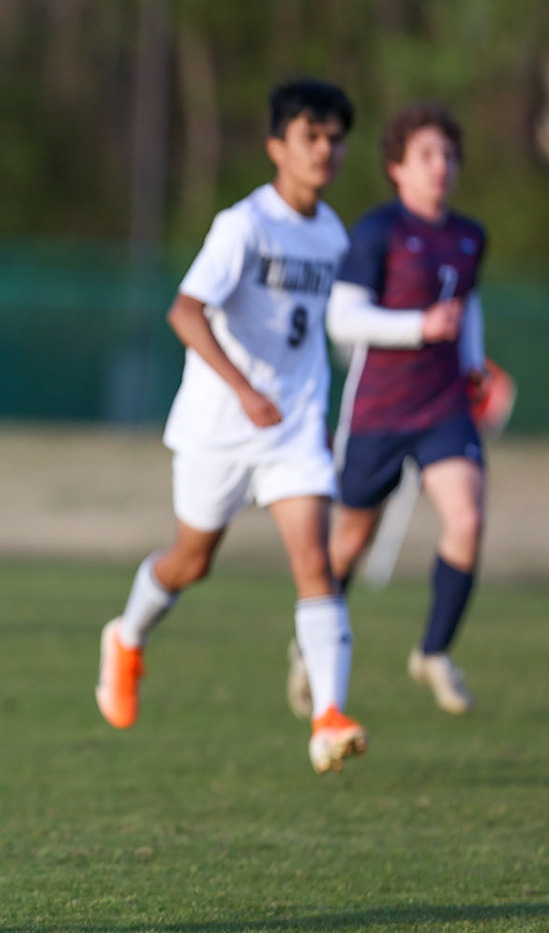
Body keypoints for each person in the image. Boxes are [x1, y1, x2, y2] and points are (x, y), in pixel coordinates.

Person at [95, 79, 367, 774]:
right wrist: (244, 390)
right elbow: (185, 311)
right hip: (221, 426)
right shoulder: (243, 224)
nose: (326, 151)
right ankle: (126, 639)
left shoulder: (334, 232)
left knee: (316, 564)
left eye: (335, 139)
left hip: (294, 428)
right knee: (193, 562)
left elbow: (332, 329)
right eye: (312, 137)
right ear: (278, 146)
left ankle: (329, 715)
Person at [303, 103, 486, 716]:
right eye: (428, 155)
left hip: (444, 406)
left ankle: (433, 651)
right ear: (397, 167)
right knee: (349, 544)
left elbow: (466, 306)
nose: (442, 167)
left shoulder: (468, 237)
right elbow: (342, 320)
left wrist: (474, 361)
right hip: (379, 409)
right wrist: (420, 325)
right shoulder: (378, 231)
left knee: (467, 517)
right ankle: (312, 646)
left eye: (450, 156)